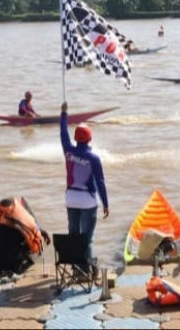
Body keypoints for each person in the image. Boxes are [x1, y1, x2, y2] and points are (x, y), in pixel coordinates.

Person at [59, 101, 109, 278]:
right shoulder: (93, 157)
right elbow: (100, 181)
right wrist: (106, 204)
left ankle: (76, 269)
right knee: (87, 237)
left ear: (76, 138)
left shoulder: (68, 151)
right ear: (90, 138)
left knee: (73, 234)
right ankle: (84, 271)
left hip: (71, 197)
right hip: (88, 200)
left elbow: (63, 135)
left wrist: (64, 114)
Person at [0, 196, 51, 275]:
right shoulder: (17, 226)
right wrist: (40, 233)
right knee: (32, 241)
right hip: (14, 267)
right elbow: (31, 236)